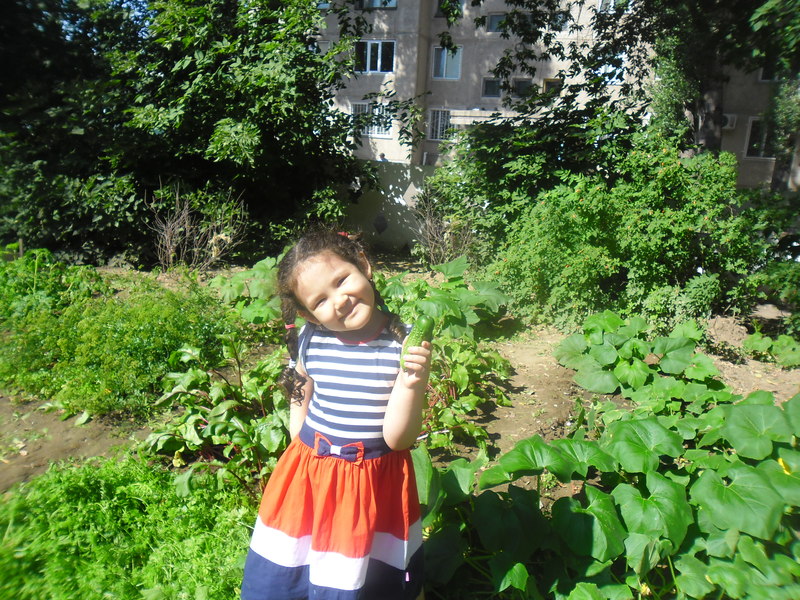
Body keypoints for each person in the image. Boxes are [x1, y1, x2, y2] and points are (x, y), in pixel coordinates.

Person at [241, 229, 431, 600]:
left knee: (364, 569)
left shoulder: (403, 344)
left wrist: (412, 382)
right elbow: (301, 388)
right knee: (294, 561)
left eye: (342, 280)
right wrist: (299, 442)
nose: (339, 301)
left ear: (363, 265)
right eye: (320, 301)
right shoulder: (311, 338)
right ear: (307, 314)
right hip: (310, 475)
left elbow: (398, 440)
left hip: (372, 481)